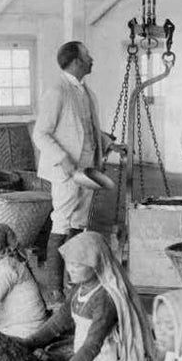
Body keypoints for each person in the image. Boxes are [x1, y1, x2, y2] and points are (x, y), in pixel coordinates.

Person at [23, 231, 153, 361]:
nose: (70, 269)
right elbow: (58, 323)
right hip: (83, 358)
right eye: (69, 263)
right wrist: (30, 342)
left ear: (95, 265)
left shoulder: (105, 299)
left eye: (77, 264)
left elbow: (93, 344)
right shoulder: (78, 290)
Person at [32, 41, 127, 304]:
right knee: (62, 222)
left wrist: (109, 143)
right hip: (67, 173)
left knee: (79, 224)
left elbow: (89, 130)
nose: (92, 59)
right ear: (75, 61)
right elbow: (40, 133)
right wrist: (62, 159)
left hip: (88, 170)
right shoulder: (57, 91)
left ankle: (74, 282)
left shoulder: (86, 92)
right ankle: (55, 288)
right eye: (87, 56)